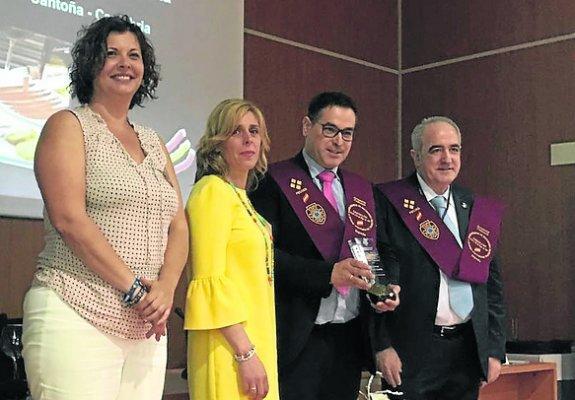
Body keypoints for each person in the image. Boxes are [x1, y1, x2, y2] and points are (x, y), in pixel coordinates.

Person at [22, 15, 188, 400]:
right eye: (111, 53)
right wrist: (135, 290)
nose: (124, 63)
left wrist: (165, 288)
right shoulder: (68, 125)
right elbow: (68, 219)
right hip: (75, 310)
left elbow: (178, 224)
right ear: (90, 65)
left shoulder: (153, 140)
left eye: (133, 54)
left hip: (145, 326)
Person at [249, 92, 400, 400]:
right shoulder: (272, 181)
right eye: (329, 129)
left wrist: (384, 288)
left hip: (348, 339)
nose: (338, 141)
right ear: (307, 126)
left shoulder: (361, 189)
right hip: (296, 338)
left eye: (347, 133)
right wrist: (327, 275)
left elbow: (381, 251)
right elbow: (262, 257)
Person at [374, 116, 506, 400]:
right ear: (416, 156)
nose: (447, 158)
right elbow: (374, 277)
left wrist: (493, 350)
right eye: (436, 149)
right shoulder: (388, 201)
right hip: (410, 352)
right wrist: (381, 345)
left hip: (466, 352)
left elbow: (491, 287)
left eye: (454, 149)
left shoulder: (473, 207)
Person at [184, 99, 279, 400]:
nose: (249, 138)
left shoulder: (241, 196)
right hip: (229, 348)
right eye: (236, 131)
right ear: (218, 142)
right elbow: (207, 281)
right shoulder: (211, 191)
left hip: (255, 337)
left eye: (254, 130)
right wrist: (245, 353)